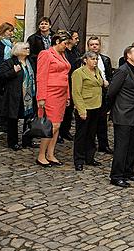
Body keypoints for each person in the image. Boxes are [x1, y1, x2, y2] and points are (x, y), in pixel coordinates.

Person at [107, 45, 134, 188]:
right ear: (128, 55)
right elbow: (111, 92)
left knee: (132, 146)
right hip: (123, 114)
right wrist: (112, 109)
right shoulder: (122, 71)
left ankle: (129, 172)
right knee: (121, 147)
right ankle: (116, 176)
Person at [35, 30, 72, 167]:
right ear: (57, 41)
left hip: (61, 94)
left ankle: (50, 153)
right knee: (52, 125)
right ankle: (41, 155)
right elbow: (41, 77)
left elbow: (65, 76)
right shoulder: (46, 54)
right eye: (65, 43)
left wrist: (67, 95)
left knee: (58, 124)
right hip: (50, 93)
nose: (67, 46)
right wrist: (41, 97)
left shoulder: (63, 55)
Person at [0, 42, 35, 150]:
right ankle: (12, 142)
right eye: (25, 48)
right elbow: (2, 76)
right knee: (13, 120)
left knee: (29, 118)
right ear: (18, 51)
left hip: (28, 96)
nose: (28, 50)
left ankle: (27, 141)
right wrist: (13, 71)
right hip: (15, 96)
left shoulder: (30, 62)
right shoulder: (9, 62)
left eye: (28, 48)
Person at [71, 51, 105, 171]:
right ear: (85, 60)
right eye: (92, 59)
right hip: (85, 106)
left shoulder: (97, 71)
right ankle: (79, 159)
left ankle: (89, 157)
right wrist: (81, 110)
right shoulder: (78, 73)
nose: (95, 61)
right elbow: (76, 93)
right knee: (81, 134)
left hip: (96, 106)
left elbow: (100, 83)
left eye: (96, 59)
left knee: (91, 134)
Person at [86, 36, 114, 154]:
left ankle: (104, 145)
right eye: (92, 44)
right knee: (89, 122)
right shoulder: (82, 59)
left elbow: (109, 75)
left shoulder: (106, 59)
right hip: (89, 94)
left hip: (103, 93)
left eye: (96, 44)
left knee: (102, 121)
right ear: (88, 46)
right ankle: (89, 146)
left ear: (100, 46)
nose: (94, 46)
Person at [59, 29, 81, 143]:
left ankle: (65, 131)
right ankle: (57, 133)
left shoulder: (76, 51)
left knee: (69, 108)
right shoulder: (63, 52)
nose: (77, 40)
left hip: (73, 82)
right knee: (61, 109)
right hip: (63, 82)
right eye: (75, 38)